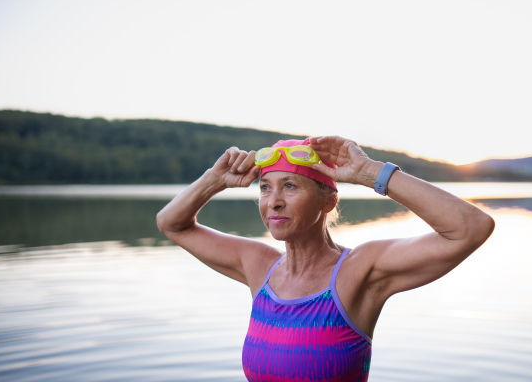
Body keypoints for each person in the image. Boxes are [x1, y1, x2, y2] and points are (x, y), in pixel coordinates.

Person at [156, 136, 495, 382]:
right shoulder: (258, 265)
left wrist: (369, 173)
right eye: (265, 188)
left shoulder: (362, 270)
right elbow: (172, 224)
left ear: (328, 202)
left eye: (290, 186)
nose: (273, 201)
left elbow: (471, 228)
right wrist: (213, 181)